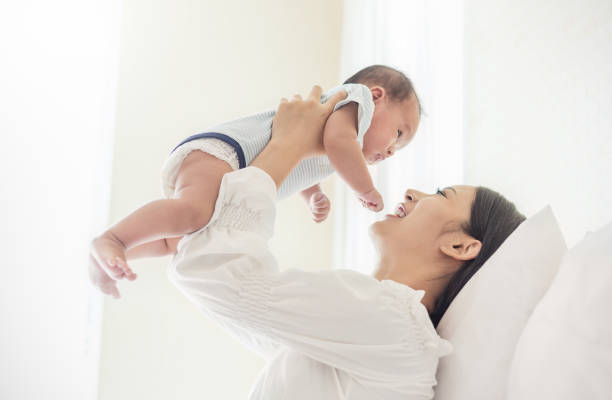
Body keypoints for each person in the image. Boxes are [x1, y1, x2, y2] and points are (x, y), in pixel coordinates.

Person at [116, 86, 522, 399]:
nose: (414, 192)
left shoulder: (392, 323)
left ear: (461, 246)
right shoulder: (386, 331)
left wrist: (286, 146)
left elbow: (218, 277)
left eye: (442, 194)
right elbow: (226, 291)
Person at [90, 65, 421, 284]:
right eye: (398, 134)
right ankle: (114, 238)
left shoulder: (341, 144)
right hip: (226, 153)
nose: (392, 150)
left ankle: (115, 259)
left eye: (400, 149)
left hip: (229, 174)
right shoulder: (354, 100)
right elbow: (336, 142)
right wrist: (366, 190)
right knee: (192, 212)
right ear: (377, 96)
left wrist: (312, 193)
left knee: (179, 239)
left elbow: (298, 155)